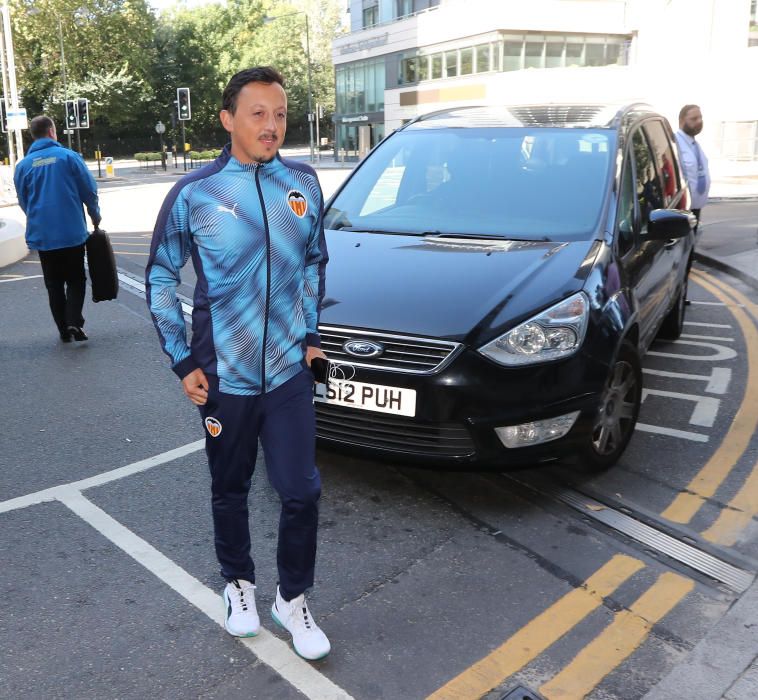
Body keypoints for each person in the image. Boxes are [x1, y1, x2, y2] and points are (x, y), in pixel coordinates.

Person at [145, 66, 330, 661]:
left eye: (279, 114)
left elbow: (311, 265)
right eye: (258, 114)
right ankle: (240, 586)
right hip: (223, 375)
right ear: (228, 120)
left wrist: (310, 336)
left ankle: (293, 598)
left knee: (300, 491)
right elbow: (158, 275)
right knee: (230, 486)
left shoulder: (302, 185)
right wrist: (182, 359)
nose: (272, 125)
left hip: (285, 373)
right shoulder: (195, 194)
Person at [13, 115, 101, 342]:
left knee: (53, 284)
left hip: (42, 235)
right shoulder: (69, 157)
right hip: (71, 232)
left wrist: (37, 219)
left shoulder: (23, 166)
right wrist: (95, 216)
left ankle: (63, 330)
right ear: (52, 131)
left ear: (33, 135)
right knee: (75, 279)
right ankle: (73, 321)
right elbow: (88, 191)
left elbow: (24, 201)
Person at [675, 104, 711, 230]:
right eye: (694, 119)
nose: (699, 121)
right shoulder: (676, 143)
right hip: (683, 209)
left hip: (696, 207)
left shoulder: (694, 144)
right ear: (681, 121)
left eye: (700, 118)